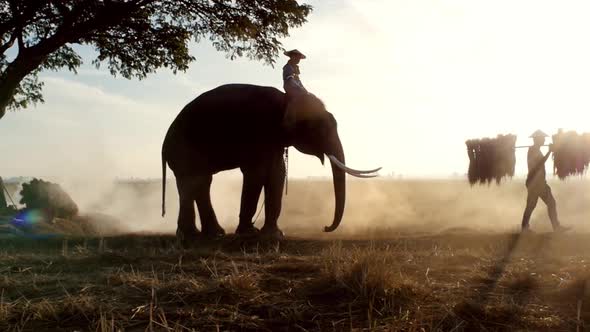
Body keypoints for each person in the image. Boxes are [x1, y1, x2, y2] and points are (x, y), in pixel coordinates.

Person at [521, 130, 570, 233]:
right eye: (542, 139)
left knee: (534, 205)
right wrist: (549, 151)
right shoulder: (533, 150)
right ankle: (555, 227)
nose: (544, 140)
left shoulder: (536, 150)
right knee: (547, 203)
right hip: (535, 183)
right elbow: (539, 164)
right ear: (537, 140)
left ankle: (525, 227)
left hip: (537, 182)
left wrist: (549, 151)